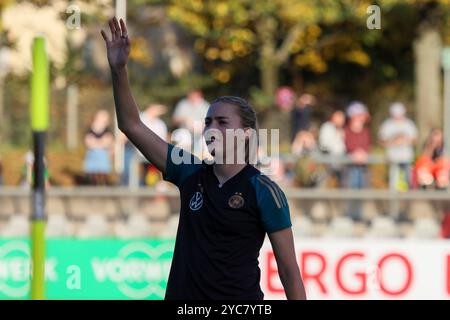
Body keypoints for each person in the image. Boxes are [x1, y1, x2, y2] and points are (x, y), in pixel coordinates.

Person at [101, 17, 306, 300]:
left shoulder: (264, 191)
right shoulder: (188, 172)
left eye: (223, 122)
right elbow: (131, 125)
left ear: (246, 134)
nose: (212, 128)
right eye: (208, 121)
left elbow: (288, 270)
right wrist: (119, 70)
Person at [378, 102, 418, 191]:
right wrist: (393, 142)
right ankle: (394, 203)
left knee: (407, 182)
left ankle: (407, 203)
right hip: (393, 158)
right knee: (394, 183)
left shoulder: (409, 124)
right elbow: (381, 141)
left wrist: (405, 140)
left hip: (406, 158)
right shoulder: (387, 125)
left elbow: (415, 140)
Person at [344, 101, 371, 221]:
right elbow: (348, 146)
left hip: (362, 166)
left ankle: (358, 214)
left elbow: (366, 146)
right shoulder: (347, 131)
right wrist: (354, 154)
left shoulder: (365, 131)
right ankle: (349, 214)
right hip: (351, 166)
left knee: (361, 188)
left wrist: (362, 154)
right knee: (351, 188)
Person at [173, 89, 209, 155]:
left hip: (201, 133)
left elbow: (209, 122)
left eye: (195, 95)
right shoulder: (183, 104)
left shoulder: (205, 105)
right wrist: (185, 119)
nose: (192, 97)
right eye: (191, 95)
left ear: (199, 95)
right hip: (185, 132)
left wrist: (201, 127)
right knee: (182, 137)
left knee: (203, 144)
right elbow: (175, 120)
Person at [83, 109, 114, 185]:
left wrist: (97, 143)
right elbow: (88, 141)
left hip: (103, 154)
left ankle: (106, 188)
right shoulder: (90, 128)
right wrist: (100, 143)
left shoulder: (107, 130)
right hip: (92, 154)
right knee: (92, 173)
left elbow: (109, 141)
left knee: (104, 172)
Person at [318, 110, 346, 186]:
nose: (342, 120)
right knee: (324, 181)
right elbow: (324, 145)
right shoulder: (327, 127)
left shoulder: (342, 129)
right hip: (328, 160)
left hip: (340, 161)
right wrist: (336, 136)